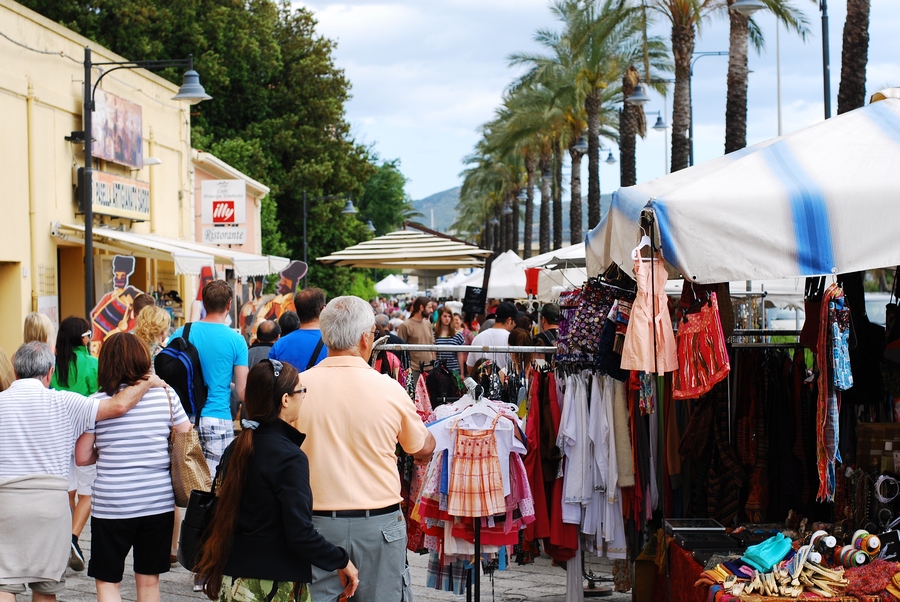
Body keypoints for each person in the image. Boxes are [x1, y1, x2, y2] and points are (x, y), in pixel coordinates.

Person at [293, 296, 436, 602]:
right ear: (364, 337)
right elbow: (422, 450)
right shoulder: (389, 389)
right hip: (379, 526)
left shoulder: (297, 388)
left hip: (315, 526)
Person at [0, 342, 161, 602]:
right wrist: (147, 382)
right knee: (45, 589)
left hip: (5, 502)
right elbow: (118, 406)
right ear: (50, 372)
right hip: (50, 505)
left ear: (16, 372)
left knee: (4, 584)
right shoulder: (65, 402)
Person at [193, 360, 359, 602]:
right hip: (273, 585)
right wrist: (342, 560)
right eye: (301, 391)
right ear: (285, 400)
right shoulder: (290, 457)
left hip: (232, 579)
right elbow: (300, 533)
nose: (304, 397)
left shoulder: (236, 447)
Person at [73, 333, 191, 602]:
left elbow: (81, 457)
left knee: (108, 582)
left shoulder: (97, 403)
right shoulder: (166, 395)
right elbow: (186, 436)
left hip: (112, 503)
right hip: (157, 502)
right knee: (149, 583)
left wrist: (106, 452)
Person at [169, 280, 248, 474]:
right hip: (218, 417)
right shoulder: (236, 340)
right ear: (229, 305)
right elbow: (241, 392)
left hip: (184, 417)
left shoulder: (182, 333)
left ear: (203, 303)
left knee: (186, 484)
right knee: (216, 486)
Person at [50, 317, 100, 573]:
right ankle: (72, 537)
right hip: (85, 436)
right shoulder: (92, 364)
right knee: (88, 492)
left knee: (66, 491)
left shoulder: (53, 366)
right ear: (82, 337)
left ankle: (64, 539)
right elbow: (100, 398)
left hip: (59, 435)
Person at [268, 288, 328, 372]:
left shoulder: (280, 344)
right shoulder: (332, 343)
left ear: (297, 311)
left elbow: (272, 377)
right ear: (322, 309)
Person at [466, 301, 517, 373]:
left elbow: (470, 367)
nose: (515, 325)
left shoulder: (478, 337)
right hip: (504, 382)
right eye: (515, 322)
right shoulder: (510, 338)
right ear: (509, 320)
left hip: (481, 382)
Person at [396, 296, 436, 385]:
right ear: (421, 307)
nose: (432, 310)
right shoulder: (405, 326)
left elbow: (432, 346)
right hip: (414, 370)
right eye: (429, 307)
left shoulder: (427, 324)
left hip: (430, 369)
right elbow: (400, 349)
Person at [434, 305, 466, 376]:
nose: (447, 319)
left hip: (454, 371)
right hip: (440, 371)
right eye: (445, 316)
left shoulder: (457, 335)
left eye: (449, 316)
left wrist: (462, 373)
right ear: (440, 318)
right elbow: (434, 353)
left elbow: (460, 355)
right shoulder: (435, 334)